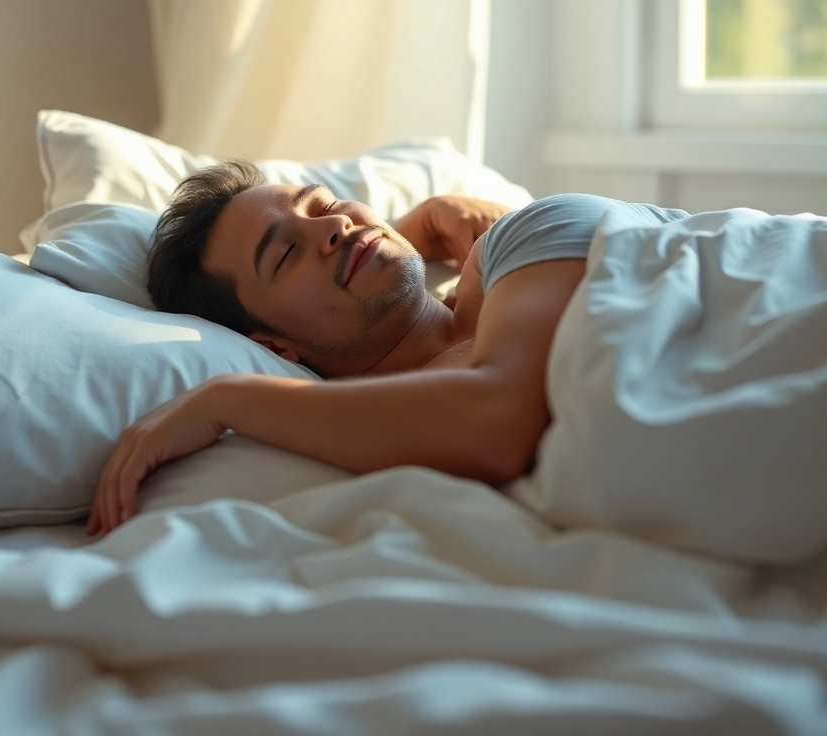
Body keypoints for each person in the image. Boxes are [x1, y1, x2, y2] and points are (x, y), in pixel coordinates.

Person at [86, 162, 685, 536]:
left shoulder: (526, 234)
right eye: (286, 254)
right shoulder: (352, 431)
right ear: (270, 344)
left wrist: (229, 400)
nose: (333, 228)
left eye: (324, 205)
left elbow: (496, 423)